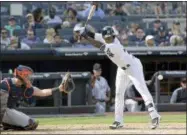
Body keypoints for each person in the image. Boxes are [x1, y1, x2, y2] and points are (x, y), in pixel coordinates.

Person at [80, 25, 161, 129]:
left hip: (133, 67)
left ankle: (155, 116)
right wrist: (85, 31)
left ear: (114, 36)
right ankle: (118, 121)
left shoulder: (114, 46)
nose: (109, 39)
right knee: (118, 93)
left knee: (142, 90)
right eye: (107, 38)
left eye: (111, 37)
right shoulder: (105, 38)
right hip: (121, 68)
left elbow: (97, 44)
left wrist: (86, 37)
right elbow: (95, 35)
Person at [0, 65, 66, 130]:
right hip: (2, 110)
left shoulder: (24, 87)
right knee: (29, 123)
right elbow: (2, 106)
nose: (29, 78)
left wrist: (59, 88)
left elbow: (42, 92)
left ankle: (7, 124)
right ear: (21, 74)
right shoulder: (5, 84)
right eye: (27, 76)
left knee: (31, 123)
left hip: (8, 111)